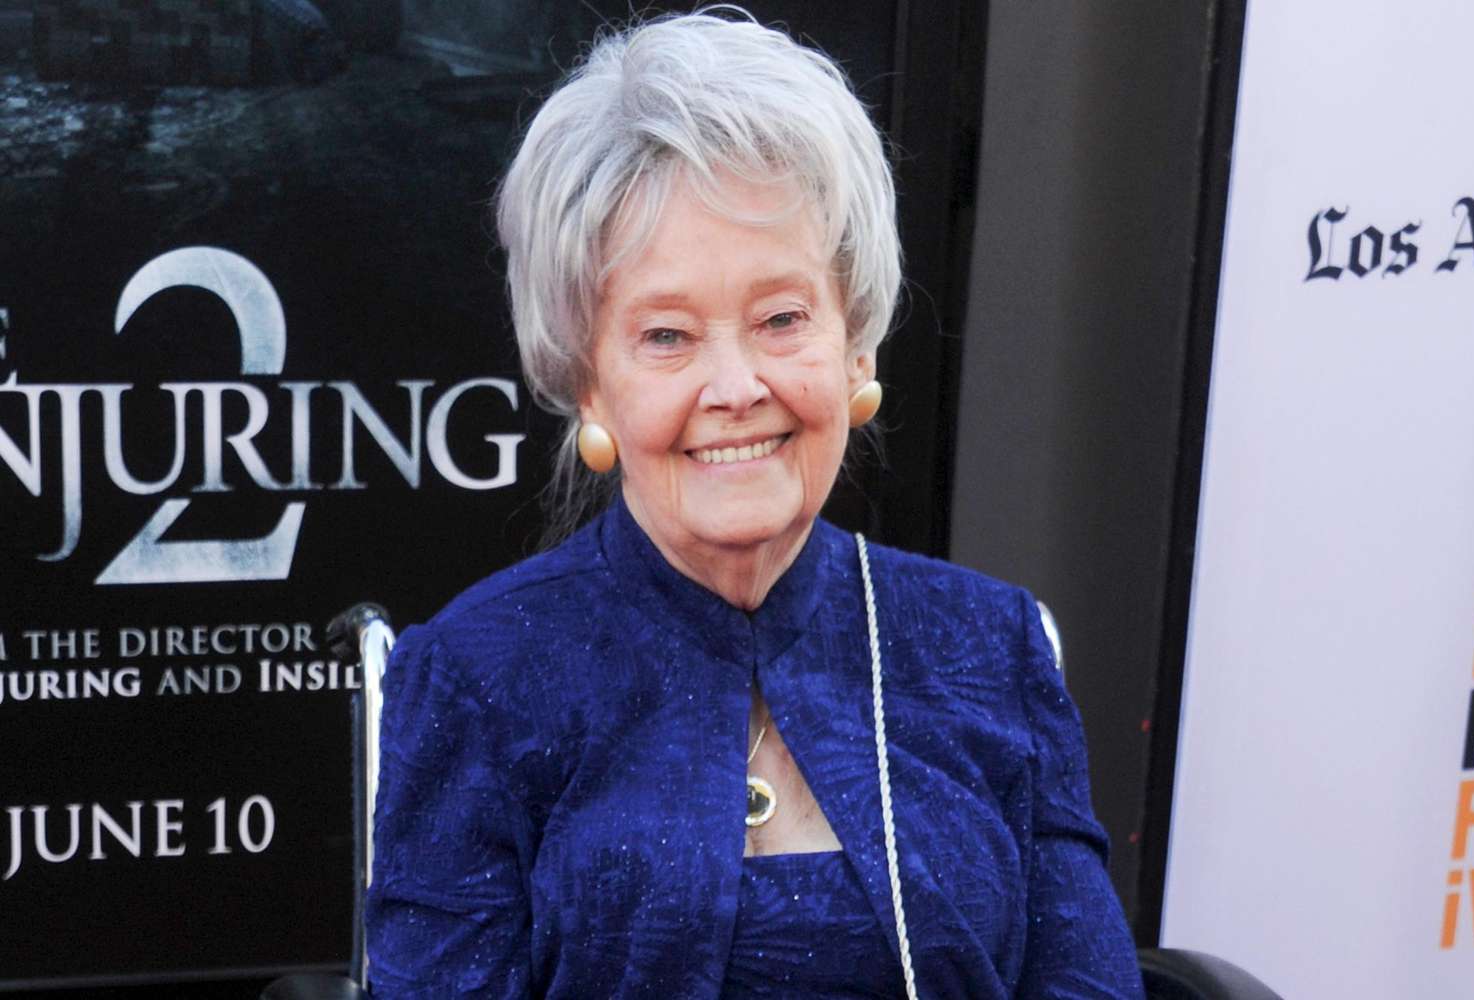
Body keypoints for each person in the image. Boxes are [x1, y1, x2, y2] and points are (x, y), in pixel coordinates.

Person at [365, 10, 1143, 998]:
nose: (734, 385)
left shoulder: (992, 649)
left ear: (855, 344)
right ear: (588, 382)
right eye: (667, 336)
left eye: (781, 319)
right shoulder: (479, 680)